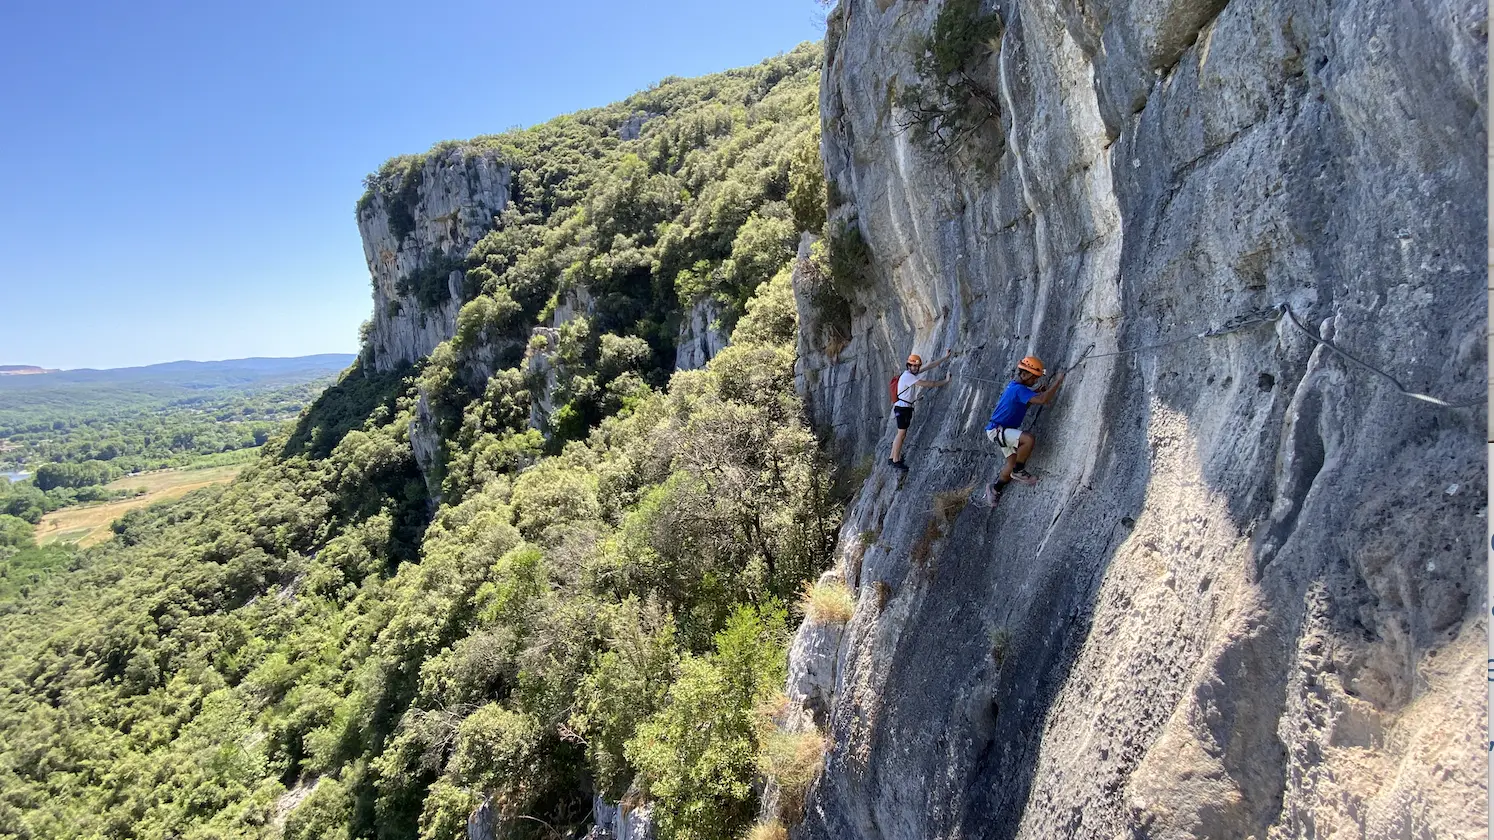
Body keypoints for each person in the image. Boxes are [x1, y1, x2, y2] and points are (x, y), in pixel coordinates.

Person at [984, 355, 1065, 504]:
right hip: (999, 430)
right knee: (1028, 439)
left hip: (997, 430)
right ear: (1024, 374)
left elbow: (1024, 404)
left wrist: (1036, 391)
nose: (1035, 381)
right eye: (1034, 378)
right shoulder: (1019, 390)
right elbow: (1042, 400)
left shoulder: (1015, 387)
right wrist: (1058, 381)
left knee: (1011, 463)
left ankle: (995, 489)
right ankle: (1019, 471)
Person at [889, 349, 952, 471]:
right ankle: (896, 460)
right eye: (914, 366)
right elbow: (929, 384)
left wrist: (945, 357)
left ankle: (892, 457)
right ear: (909, 366)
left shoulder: (910, 373)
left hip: (903, 408)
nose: (916, 368)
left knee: (900, 434)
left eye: (917, 366)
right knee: (901, 434)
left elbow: (929, 366)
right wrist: (945, 381)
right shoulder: (908, 376)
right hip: (902, 409)